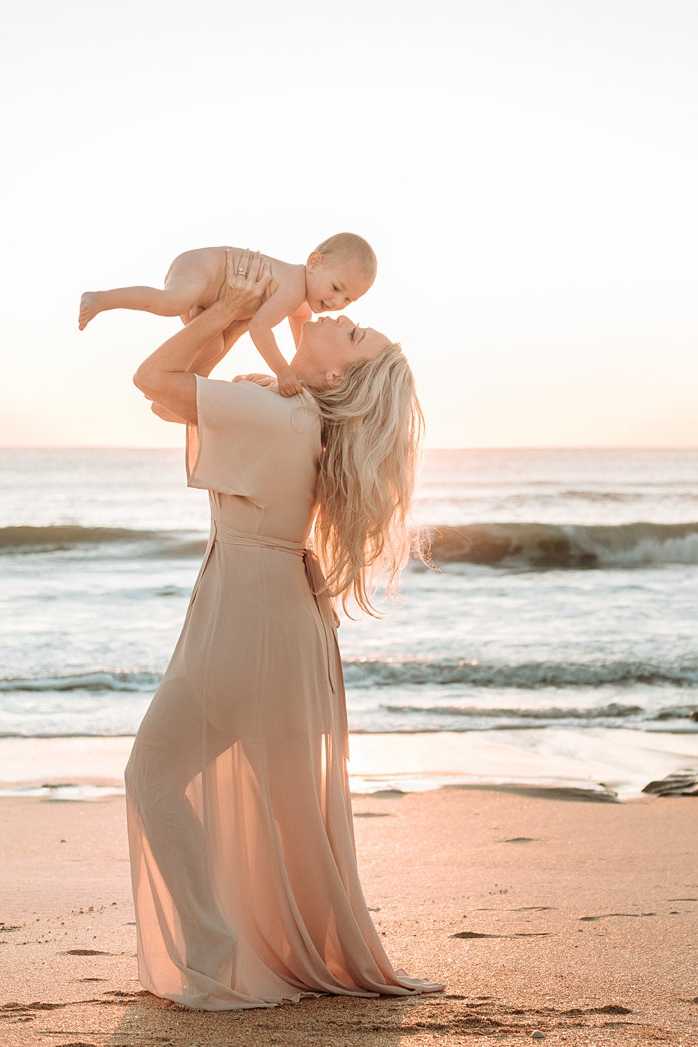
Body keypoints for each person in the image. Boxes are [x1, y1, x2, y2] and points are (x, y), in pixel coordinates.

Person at [124, 248, 441, 1010]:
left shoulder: (282, 414)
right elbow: (175, 399)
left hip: (250, 616)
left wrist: (232, 312)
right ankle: (323, 955)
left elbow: (151, 381)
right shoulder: (290, 415)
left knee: (153, 776)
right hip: (278, 617)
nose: (336, 315)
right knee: (292, 815)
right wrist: (227, 320)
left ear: (338, 376)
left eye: (354, 331)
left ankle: (212, 948)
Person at [81, 233, 377, 397]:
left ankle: (174, 389)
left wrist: (303, 373)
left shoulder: (301, 304)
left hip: (214, 295)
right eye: (337, 287)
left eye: (348, 299)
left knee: (214, 345)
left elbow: (303, 337)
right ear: (313, 263)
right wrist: (283, 371)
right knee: (171, 302)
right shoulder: (292, 288)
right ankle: (101, 299)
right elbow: (260, 328)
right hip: (204, 268)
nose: (338, 302)